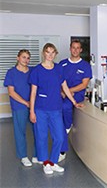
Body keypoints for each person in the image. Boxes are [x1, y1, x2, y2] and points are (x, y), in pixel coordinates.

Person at [29, 43, 80, 175]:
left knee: (59, 137)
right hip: (40, 109)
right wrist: (32, 111)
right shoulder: (37, 70)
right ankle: (45, 162)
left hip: (56, 108)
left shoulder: (58, 69)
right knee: (42, 136)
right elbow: (33, 93)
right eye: (48, 52)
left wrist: (74, 102)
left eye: (53, 52)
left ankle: (53, 162)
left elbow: (65, 87)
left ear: (55, 54)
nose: (50, 55)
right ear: (43, 53)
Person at [3, 49, 39, 167]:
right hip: (19, 106)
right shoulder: (11, 73)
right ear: (18, 58)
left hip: (33, 106)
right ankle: (23, 156)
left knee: (37, 130)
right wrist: (26, 103)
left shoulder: (33, 71)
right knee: (20, 131)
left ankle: (36, 155)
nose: (26, 60)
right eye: (24, 57)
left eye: (28, 58)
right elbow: (11, 93)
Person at [58, 39, 92, 162]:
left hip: (77, 95)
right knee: (56, 115)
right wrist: (62, 91)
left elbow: (84, 85)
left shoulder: (85, 66)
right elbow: (58, 81)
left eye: (78, 48)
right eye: (73, 47)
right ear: (70, 49)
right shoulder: (62, 64)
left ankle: (68, 126)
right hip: (62, 94)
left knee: (65, 107)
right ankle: (61, 142)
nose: (75, 50)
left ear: (81, 50)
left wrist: (69, 91)